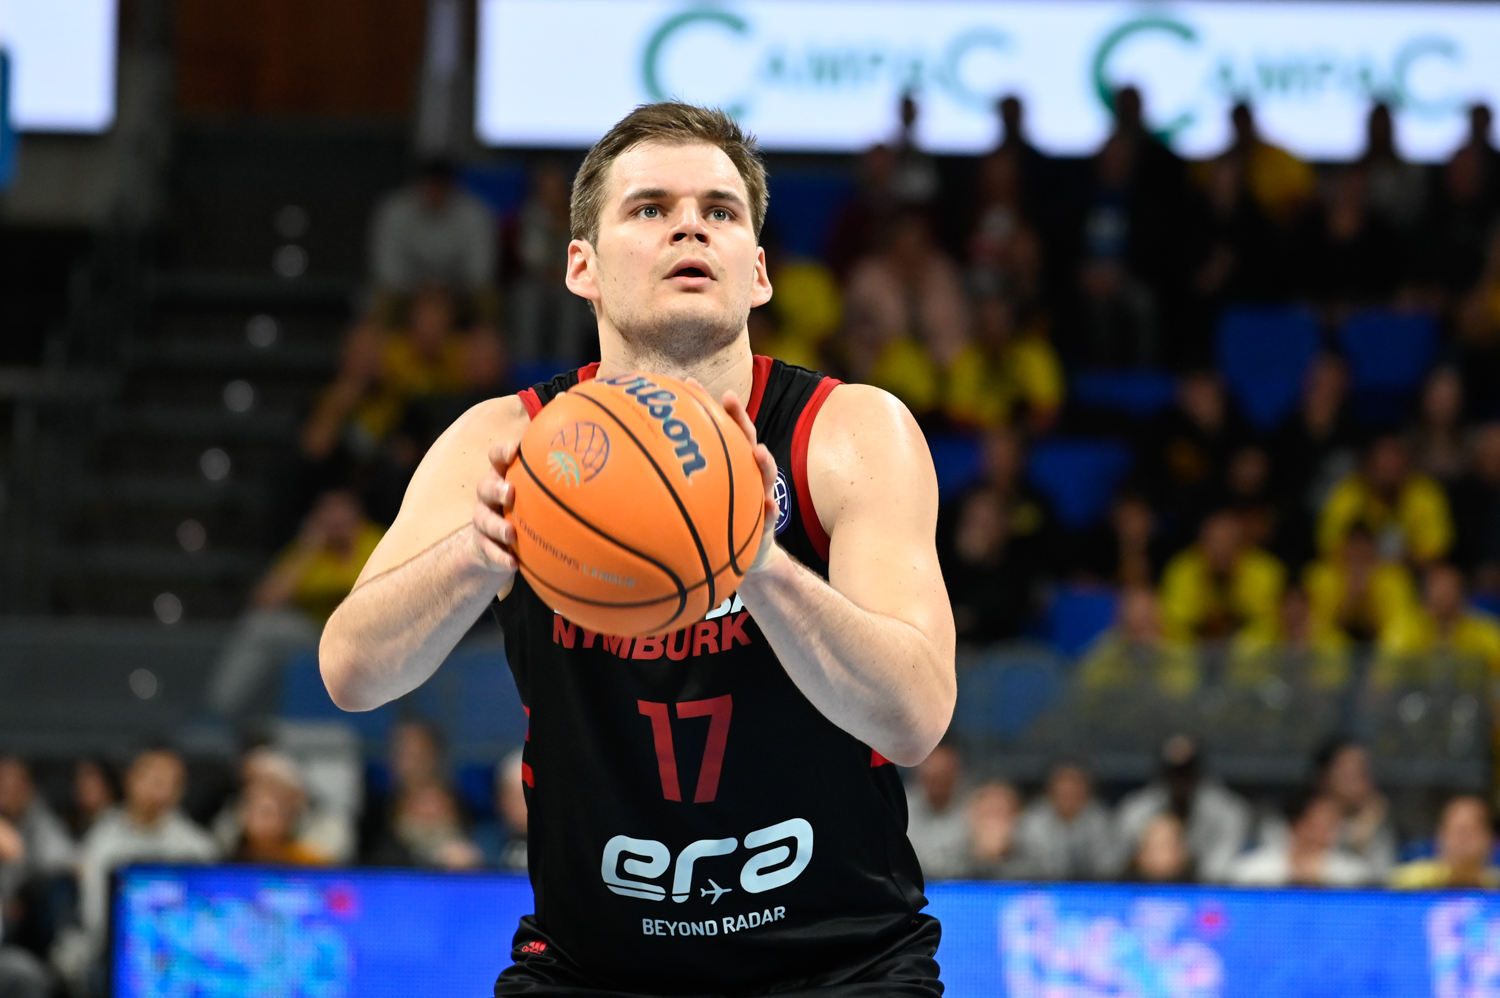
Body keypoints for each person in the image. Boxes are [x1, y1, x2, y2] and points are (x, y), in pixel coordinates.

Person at [319, 102, 955, 997]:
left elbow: (916, 718)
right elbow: (352, 673)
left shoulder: (848, 433)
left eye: (719, 211)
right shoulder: (505, 442)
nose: (690, 226)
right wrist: (478, 552)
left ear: (758, 272)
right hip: (591, 970)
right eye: (650, 208)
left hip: (841, 964)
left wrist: (761, 564)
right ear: (580, 264)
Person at [207, 490, 384, 717]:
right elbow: (265, 601)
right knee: (259, 626)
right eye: (330, 518)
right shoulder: (308, 550)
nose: (337, 523)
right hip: (317, 633)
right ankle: (218, 712)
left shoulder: (377, 542)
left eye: (343, 517)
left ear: (358, 517)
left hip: (369, 633)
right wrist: (307, 550)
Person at [53, 749, 217, 992]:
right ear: (131, 781)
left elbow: (203, 916)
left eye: (169, 784)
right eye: (154, 781)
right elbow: (94, 910)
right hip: (111, 947)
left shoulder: (196, 848)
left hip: (176, 953)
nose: (160, 791)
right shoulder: (103, 836)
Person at [1114, 735, 1251, 881]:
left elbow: (1217, 872)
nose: (1180, 781)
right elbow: (1118, 861)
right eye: (1174, 773)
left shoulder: (1226, 811)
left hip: (1205, 888)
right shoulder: (1138, 809)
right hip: (1143, 886)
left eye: (1186, 773)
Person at [368, 158, 497, 313]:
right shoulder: (394, 211)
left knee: (487, 300)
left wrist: (447, 290)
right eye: (429, 185)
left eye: (440, 186)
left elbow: (481, 271)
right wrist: (418, 289)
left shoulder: (474, 213)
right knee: (382, 299)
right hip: (406, 291)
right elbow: (387, 268)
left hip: (460, 292)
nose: (434, 192)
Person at [1317, 434, 1453, 566]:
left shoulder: (1424, 493)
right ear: (1368, 467)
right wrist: (1364, 557)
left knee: (1442, 576)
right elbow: (1327, 543)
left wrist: (1400, 558)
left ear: (1407, 467)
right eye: (1382, 467)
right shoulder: (1349, 493)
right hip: (1358, 569)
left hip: (1411, 569)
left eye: (1394, 467)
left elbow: (1437, 547)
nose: (1388, 473)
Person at [1157, 509, 1285, 645]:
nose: (1221, 549)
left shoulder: (1264, 569)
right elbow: (1178, 620)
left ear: (1242, 544)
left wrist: (1235, 581)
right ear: (1201, 544)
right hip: (1198, 646)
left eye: (1229, 541)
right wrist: (1204, 583)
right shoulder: (1182, 568)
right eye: (1214, 542)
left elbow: (1264, 619)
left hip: (1246, 647)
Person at [1228, 791, 1374, 887]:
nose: (1325, 834)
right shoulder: (1252, 871)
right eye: (1318, 825)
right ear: (1296, 825)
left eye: (1331, 826)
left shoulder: (1354, 876)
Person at [1013, 763, 1115, 881]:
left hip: (1092, 887)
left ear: (1087, 790)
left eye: (1075, 786)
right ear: (1050, 789)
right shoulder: (1033, 821)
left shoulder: (1099, 819)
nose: (1069, 792)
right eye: (1064, 787)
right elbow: (1025, 868)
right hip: (1042, 886)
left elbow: (1109, 868)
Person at [1313, 739, 1397, 879]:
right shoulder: (1303, 821)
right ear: (1324, 776)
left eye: (1362, 772)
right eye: (1347, 772)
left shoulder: (1374, 825)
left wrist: (1364, 832)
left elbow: (1381, 880)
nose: (1356, 781)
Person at [1391, 795, 1500, 889]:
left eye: (1472, 830)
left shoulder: (1496, 883)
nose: (1463, 840)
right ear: (1440, 835)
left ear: (1490, 837)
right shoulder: (1405, 883)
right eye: (1457, 831)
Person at [903, 744, 971, 880]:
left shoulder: (975, 807)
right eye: (931, 775)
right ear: (919, 775)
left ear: (956, 773)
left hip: (962, 885)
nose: (937, 781)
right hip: (911, 886)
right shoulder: (899, 808)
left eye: (943, 774)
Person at [964, 780, 1026, 880]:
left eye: (999, 813)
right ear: (972, 817)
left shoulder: (1036, 862)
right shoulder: (950, 859)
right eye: (987, 813)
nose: (993, 823)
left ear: (1016, 818)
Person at [1120, 813, 1195, 883]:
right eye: (1149, 845)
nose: (1157, 853)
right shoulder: (1120, 887)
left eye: (1164, 845)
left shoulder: (1198, 888)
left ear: (1181, 851)